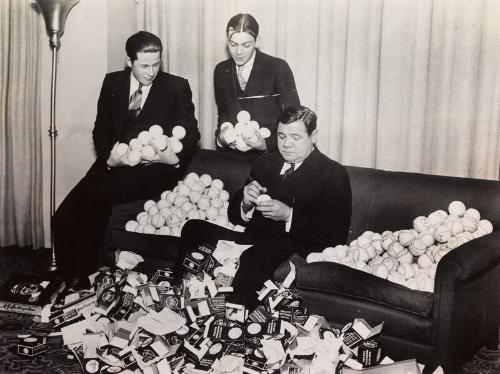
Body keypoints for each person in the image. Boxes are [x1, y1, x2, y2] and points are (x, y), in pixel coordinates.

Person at [52, 31, 200, 287]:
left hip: (153, 170)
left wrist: (171, 159)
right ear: (129, 61)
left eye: (156, 64)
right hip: (114, 165)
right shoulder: (113, 83)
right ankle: (67, 279)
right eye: (144, 65)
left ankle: (86, 276)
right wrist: (111, 159)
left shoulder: (176, 86)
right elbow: (101, 130)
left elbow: (191, 133)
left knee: (96, 200)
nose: (151, 72)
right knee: (63, 217)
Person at [177, 106, 351, 308]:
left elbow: (336, 235)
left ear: (314, 136)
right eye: (281, 136)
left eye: (295, 137)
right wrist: (245, 202)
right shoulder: (265, 162)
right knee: (194, 228)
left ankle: (232, 320)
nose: (286, 144)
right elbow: (234, 215)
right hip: (251, 240)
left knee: (257, 255)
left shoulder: (333, 173)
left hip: (291, 248)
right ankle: (180, 301)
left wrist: (289, 216)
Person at [214, 13, 300, 155]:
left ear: (257, 41)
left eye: (246, 45)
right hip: (235, 155)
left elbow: (294, 119)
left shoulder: (278, 68)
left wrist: (265, 145)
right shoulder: (221, 70)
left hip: (273, 155)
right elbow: (223, 112)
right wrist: (222, 137)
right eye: (233, 44)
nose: (239, 52)